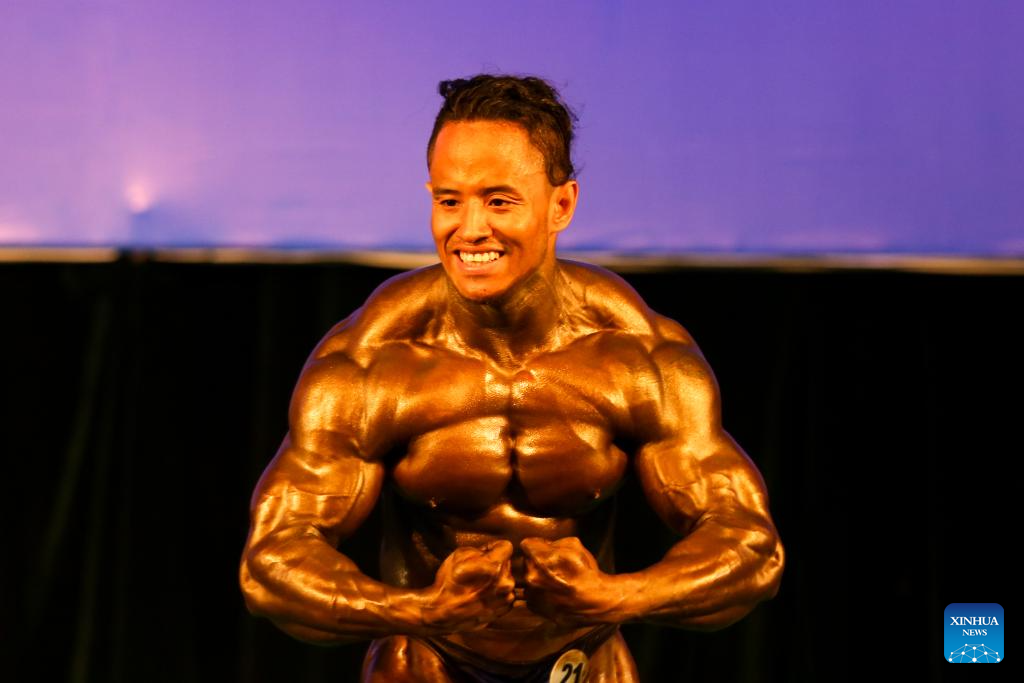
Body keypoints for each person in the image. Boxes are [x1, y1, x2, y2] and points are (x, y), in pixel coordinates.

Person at [240, 74, 784, 682]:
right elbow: (271, 563)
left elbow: (750, 548)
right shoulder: (374, 359)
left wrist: (617, 598)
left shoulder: (635, 353)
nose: (470, 229)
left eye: (499, 201)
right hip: (429, 658)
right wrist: (419, 610)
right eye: (450, 201)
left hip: (582, 658)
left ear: (561, 205)